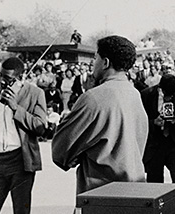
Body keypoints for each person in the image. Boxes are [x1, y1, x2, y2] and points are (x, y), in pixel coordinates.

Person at [52, 35, 148, 195]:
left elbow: (60, 151)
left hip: (100, 194)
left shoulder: (93, 97)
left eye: (95, 58)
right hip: (134, 189)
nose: (92, 64)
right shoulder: (134, 93)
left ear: (105, 62)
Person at [0, 56, 47, 214]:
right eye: (1, 76)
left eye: (7, 78)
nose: (2, 81)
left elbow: (40, 126)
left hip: (20, 161)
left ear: (20, 77)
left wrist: (15, 107)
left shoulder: (35, 94)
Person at [140, 73, 175, 184]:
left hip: (174, 142)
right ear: (160, 88)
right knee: (155, 182)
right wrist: (153, 122)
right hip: (155, 144)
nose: (169, 97)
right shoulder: (146, 95)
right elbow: (139, 122)